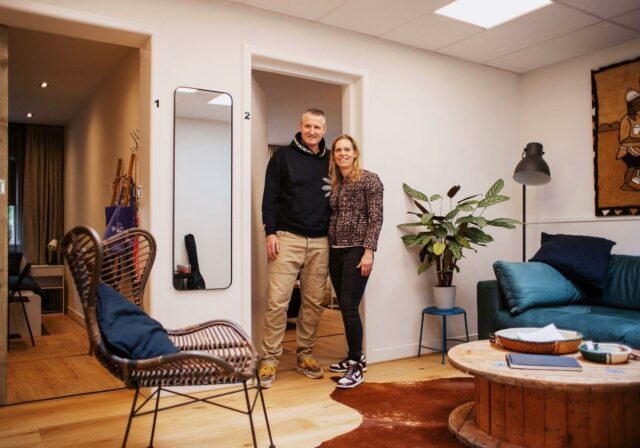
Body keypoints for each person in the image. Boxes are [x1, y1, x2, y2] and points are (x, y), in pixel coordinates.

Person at [259, 108, 331, 388]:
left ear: (324, 130)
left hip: (321, 241)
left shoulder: (331, 161)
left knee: (313, 303)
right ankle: (269, 360)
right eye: (308, 126)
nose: (312, 131)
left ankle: (305, 356)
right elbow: (270, 197)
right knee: (277, 302)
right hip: (287, 237)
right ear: (300, 126)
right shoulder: (282, 158)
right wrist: (270, 232)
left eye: (317, 127)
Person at [327, 134, 383, 389]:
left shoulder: (369, 179)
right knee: (344, 306)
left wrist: (368, 252)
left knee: (350, 308)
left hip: (356, 251)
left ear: (355, 152)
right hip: (335, 252)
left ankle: (356, 365)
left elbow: (376, 218)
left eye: (347, 149)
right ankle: (354, 356)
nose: (342, 153)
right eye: (338, 150)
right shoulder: (337, 183)